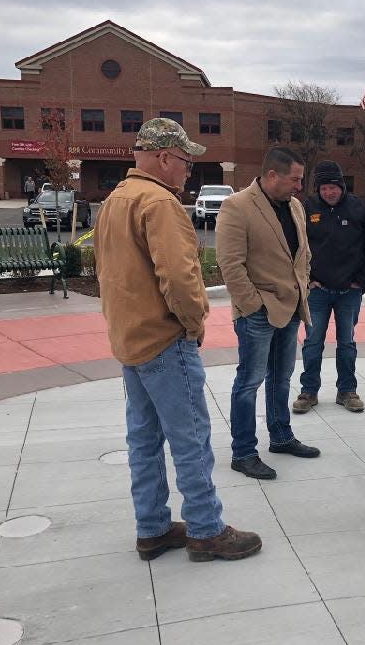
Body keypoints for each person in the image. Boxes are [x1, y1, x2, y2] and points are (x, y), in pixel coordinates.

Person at [94, 117, 261, 562]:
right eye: (186, 162)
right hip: (164, 340)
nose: (189, 171)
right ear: (164, 158)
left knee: (143, 441)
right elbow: (181, 279)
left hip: (130, 340)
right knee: (190, 439)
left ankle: (152, 528)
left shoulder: (115, 200)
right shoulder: (159, 203)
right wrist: (192, 324)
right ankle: (206, 530)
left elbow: (107, 274)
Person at [215, 147, 319, 480]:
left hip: (291, 309)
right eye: (295, 179)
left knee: (281, 377)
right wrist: (252, 306)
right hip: (257, 313)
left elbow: (302, 252)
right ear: (272, 175)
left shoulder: (296, 207)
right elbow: (230, 265)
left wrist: (303, 283)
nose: (299, 186)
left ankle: (281, 436)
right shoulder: (237, 207)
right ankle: (243, 452)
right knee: (249, 382)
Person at [292, 161, 365, 414]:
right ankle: (308, 391)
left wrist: (359, 281)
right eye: (324, 188)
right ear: (318, 189)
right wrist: (307, 279)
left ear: (342, 186)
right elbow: (295, 248)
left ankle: (347, 391)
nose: (329, 192)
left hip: (348, 292)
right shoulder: (305, 209)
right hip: (317, 291)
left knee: (346, 343)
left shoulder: (361, 209)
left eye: (333, 187)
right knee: (312, 343)